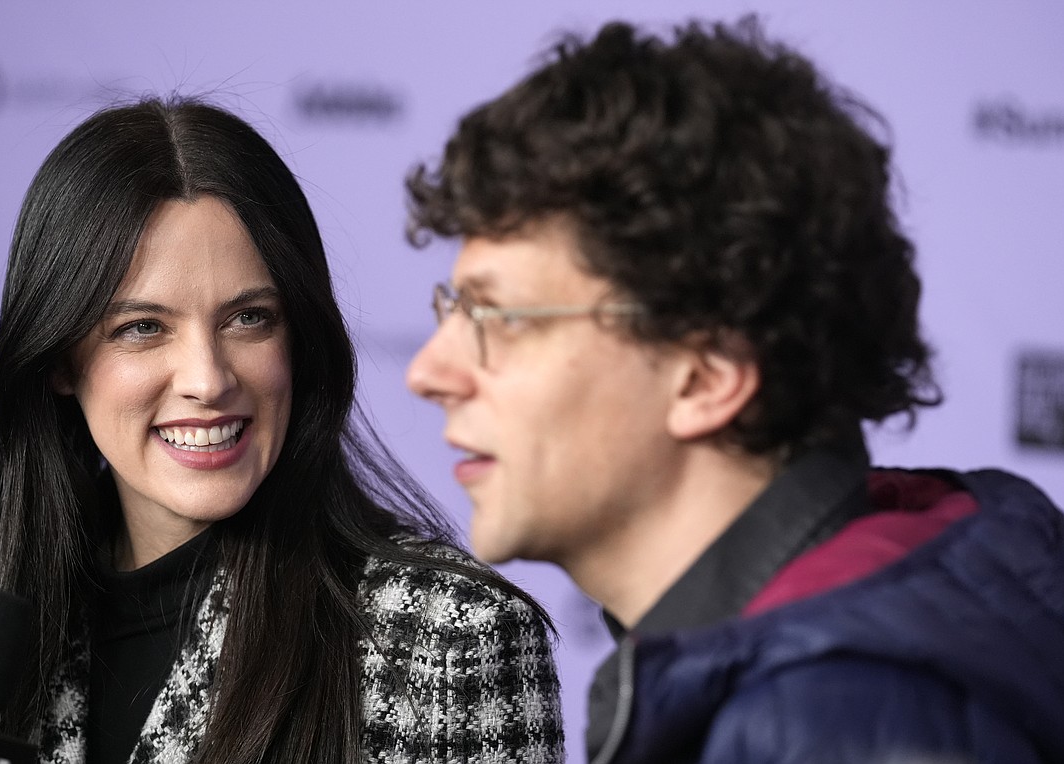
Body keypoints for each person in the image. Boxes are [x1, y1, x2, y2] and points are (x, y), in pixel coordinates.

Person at [404, 16, 1064, 764]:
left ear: (705, 377)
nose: (427, 372)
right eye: (453, 311)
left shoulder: (828, 722)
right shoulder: (886, 618)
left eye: (500, 317)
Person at [0, 98, 564, 764]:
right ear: (59, 361)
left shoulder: (449, 638)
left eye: (248, 319)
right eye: (142, 328)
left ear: (300, 339)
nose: (208, 379)